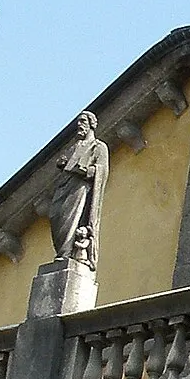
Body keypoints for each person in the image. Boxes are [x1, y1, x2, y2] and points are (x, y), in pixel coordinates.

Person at [48, 113, 108, 270]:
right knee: (56, 216)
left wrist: (85, 171)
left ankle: (67, 253)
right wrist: (62, 163)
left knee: (72, 220)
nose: (79, 125)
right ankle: (62, 252)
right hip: (64, 188)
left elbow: (102, 170)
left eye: (83, 121)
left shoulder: (98, 147)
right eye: (78, 122)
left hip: (80, 188)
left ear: (92, 124)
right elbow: (65, 164)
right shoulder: (74, 147)